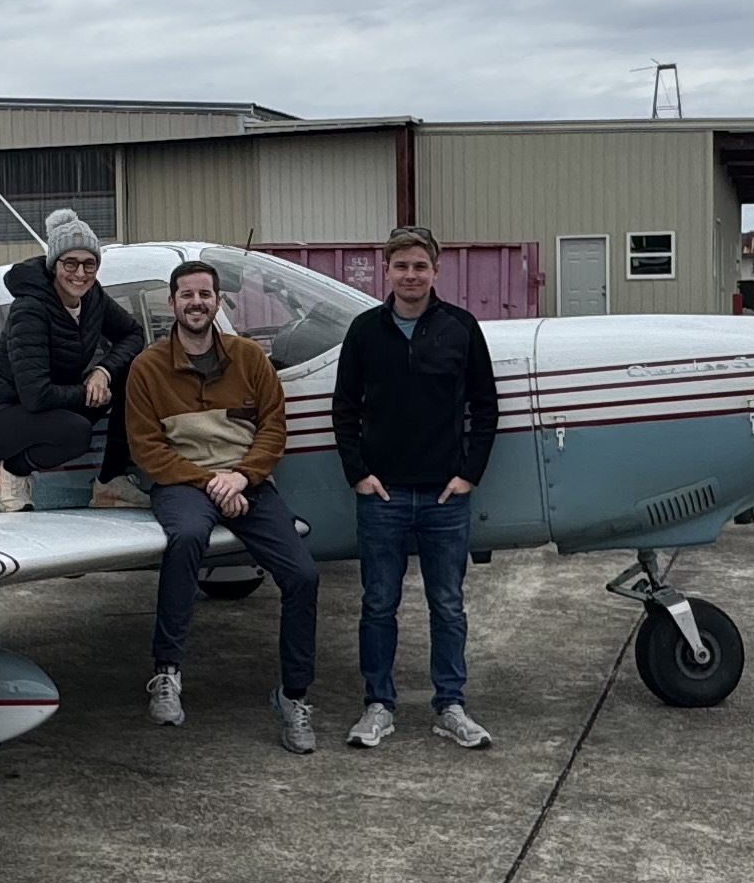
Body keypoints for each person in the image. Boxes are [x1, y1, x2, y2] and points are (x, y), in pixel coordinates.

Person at [121, 254, 322, 749]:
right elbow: (147, 448)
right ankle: (166, 671)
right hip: (182, 483)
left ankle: (294, 696)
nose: (196, 302)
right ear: (172, 304)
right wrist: (211, 483)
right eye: (186, 294)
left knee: (303, 575)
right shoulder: (147, 368)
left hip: (246, 481)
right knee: (187, 538)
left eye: (205, 294)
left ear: (218, 301)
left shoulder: (249, 358)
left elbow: (274, 426)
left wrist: (242, 476)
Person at [330, 225, 498, 749]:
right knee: (379, 603)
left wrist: (468, 474)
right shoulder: (364, 332)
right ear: (387, 270)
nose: (410, 275)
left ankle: (450, 705)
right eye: (401, 266)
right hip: (383, 496)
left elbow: (485, 406)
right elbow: (345, 407)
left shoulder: (461, 328)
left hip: (445, 497)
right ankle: (378, 705)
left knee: (448, 604)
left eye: (419, 266)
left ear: (435, 271)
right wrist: (358, 473)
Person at [0, 211, 142, 511]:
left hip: (47, 401)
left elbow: (133, 333)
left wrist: (103, 372)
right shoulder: (30, 309)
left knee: (134, 372)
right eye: (70, 263)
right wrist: (92, 394)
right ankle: (12, 469)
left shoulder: (93, 297)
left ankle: (111, 480)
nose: (80, 273)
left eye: (90, 264)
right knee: (74, 433)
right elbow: (35, 395)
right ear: (54, 265)